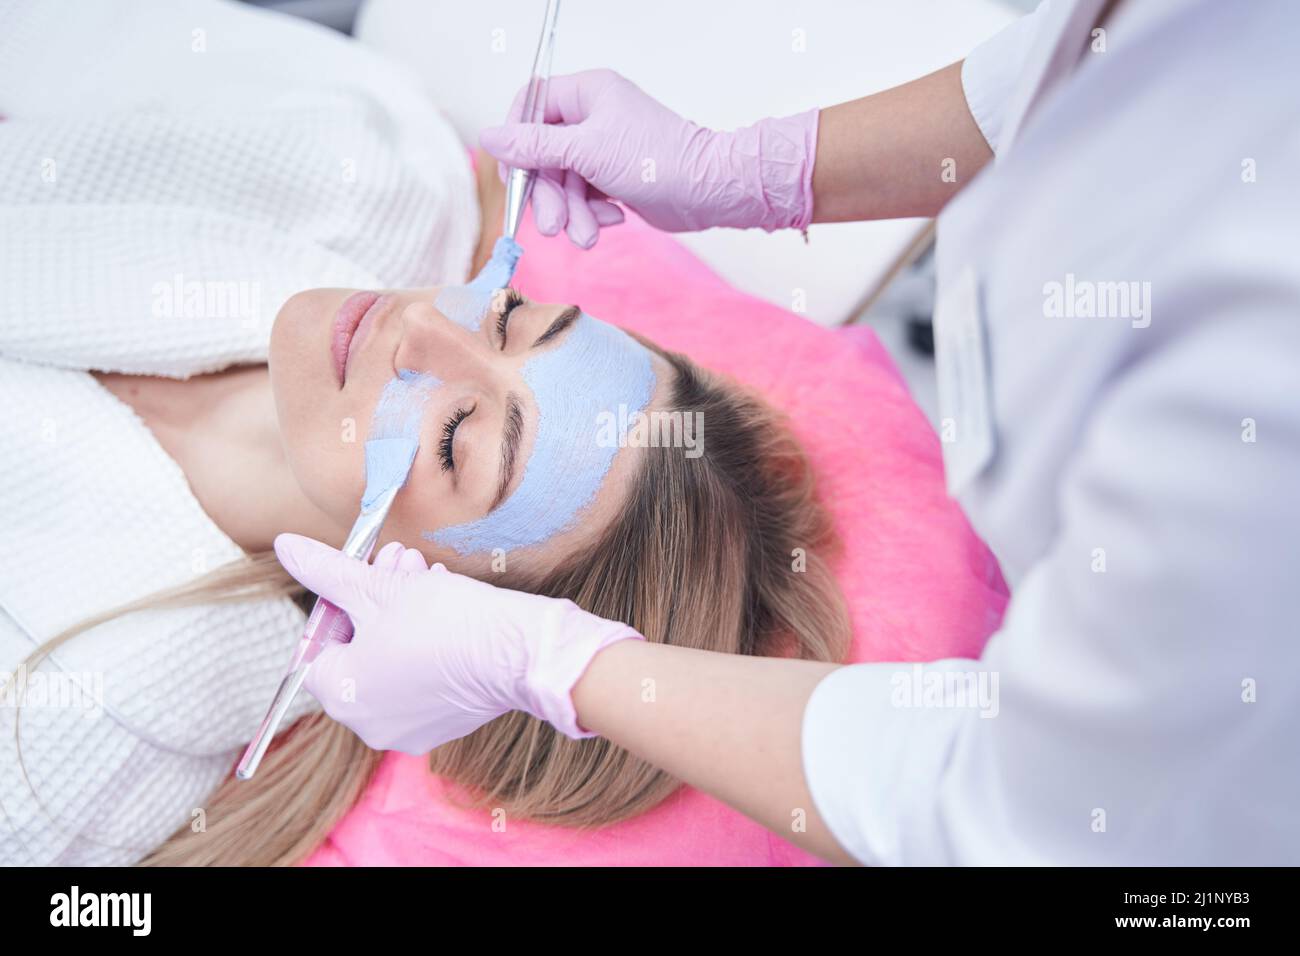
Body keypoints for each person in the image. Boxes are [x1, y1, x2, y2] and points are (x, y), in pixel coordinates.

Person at [279, 0, 1300, 865]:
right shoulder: (365, 159)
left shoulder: (1239, 396)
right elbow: (1094, 59)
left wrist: (553, 665)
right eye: (507, 314)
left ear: (427, 584)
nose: (417, 322)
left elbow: (1009, 811)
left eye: (457, 437)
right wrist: (765, 169)